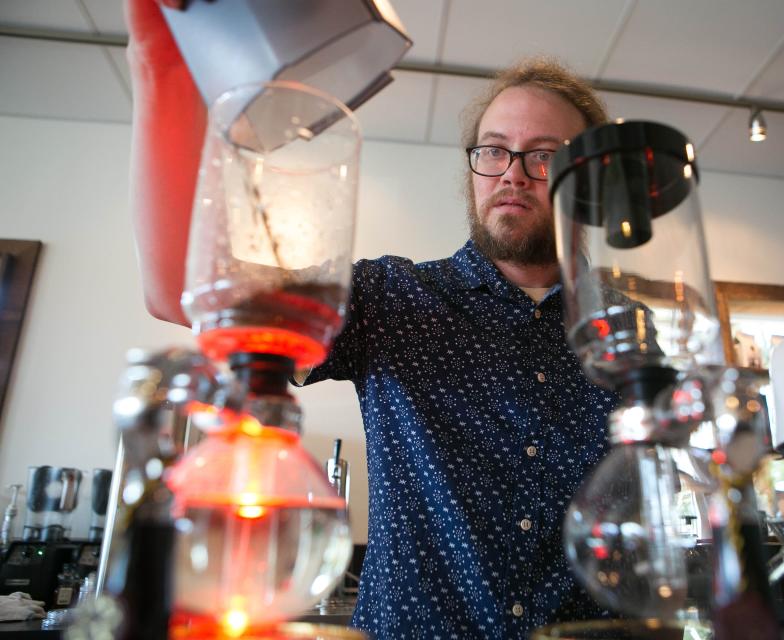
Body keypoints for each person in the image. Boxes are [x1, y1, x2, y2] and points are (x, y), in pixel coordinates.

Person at [125, 2, 619, 638]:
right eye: (493, 151)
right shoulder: (391, 298)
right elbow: (183, 290)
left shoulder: (625, 335)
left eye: (544, 155)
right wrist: (159, 58)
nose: (512, 175)